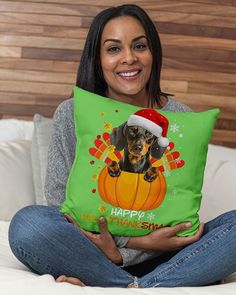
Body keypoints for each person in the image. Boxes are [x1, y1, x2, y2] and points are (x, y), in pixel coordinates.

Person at [8, 4, 236, 288]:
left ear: (153, 53)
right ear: (98, 58)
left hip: (171, 254)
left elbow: (177, 204)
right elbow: (59, 204)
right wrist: (126, 246)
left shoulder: (180, 115)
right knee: (28, 224)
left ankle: (128, 285)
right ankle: (142, 284)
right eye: (114, 49)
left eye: (139, 46)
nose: (129, 58)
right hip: (94, 253)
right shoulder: (72, 112)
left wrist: (141, 247)